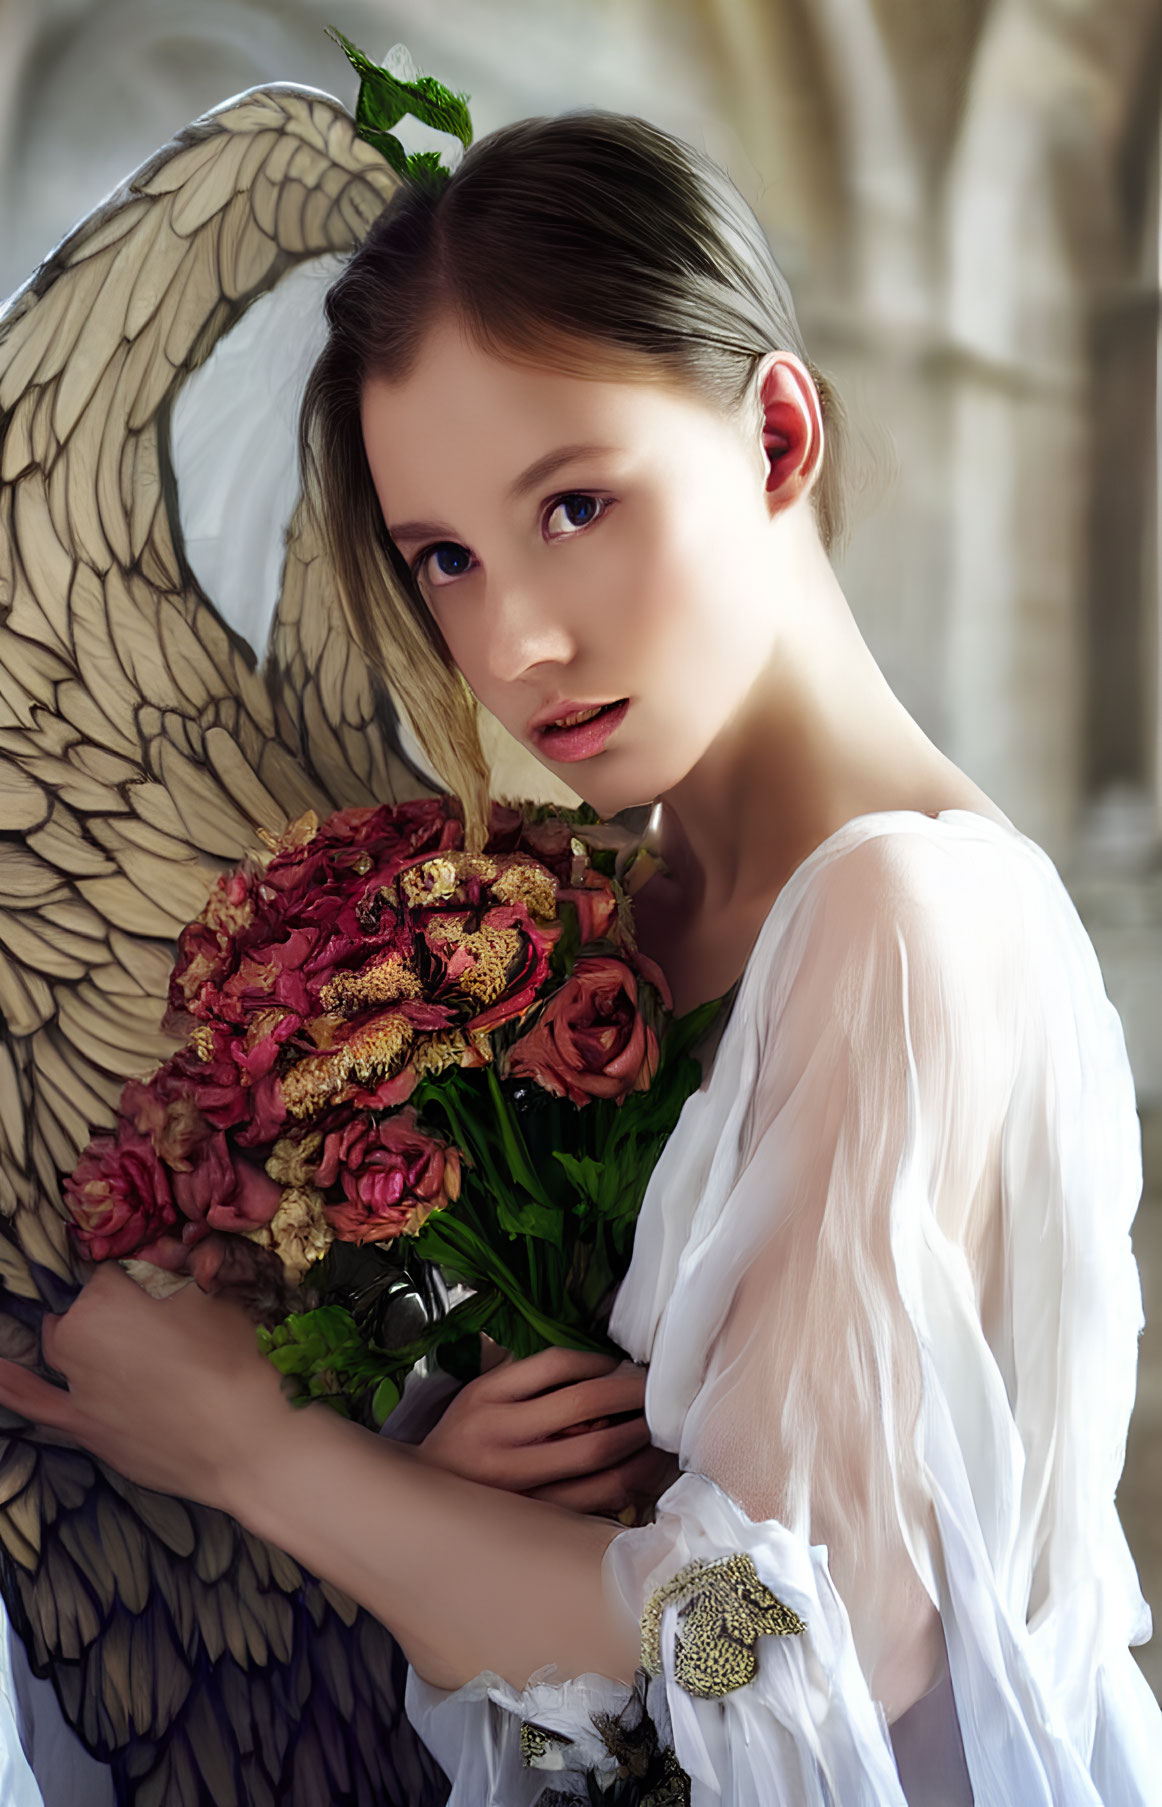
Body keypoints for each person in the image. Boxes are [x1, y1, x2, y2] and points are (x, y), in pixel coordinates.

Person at [0, 108, 1159, 1806]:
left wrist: (260, 1454)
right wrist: (449, 1473)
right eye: (446, 560)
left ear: (772, 437)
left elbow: (766, 1665)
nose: (516, 643)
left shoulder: (906, 927)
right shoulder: (592, 925)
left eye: (577, 505)